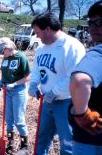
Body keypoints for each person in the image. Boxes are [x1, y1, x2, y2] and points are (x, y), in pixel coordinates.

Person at [28, 12, 86, 155]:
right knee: (41, 138)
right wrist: (33, 84)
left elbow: (75, 77)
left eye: (37, 32)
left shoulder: (72, 46)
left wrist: (54, 92)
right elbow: (37, 69)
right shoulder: (41, 48)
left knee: (68, 143)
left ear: (47, 29)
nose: (37, 37)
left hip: (67, 103)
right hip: (47, 102)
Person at [69, 0, 102, 154]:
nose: (92, 28)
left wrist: (82, 115)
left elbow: (80, 80)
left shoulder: (98, 53)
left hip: (91, 141)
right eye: (90, 22)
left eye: (99, 22)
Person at [0, 37, 30, 154]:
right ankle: (10, 142)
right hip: (7, 91)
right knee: (9, 119)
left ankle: (24, 146)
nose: (2, 54)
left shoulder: (21, 57)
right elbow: (4, 74)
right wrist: (0, 82)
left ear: (8, 48)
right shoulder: (5, 58)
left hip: (18, 91)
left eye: (2, 51)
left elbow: (28, 77)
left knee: (19, 120)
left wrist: (14, 84)